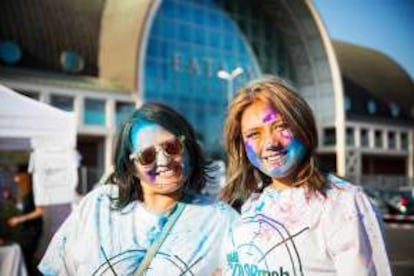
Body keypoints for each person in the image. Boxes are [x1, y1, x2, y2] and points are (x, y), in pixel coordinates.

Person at [38, 102, 239, 275]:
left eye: (172, 147)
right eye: (147, 156)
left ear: (189, 148)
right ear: (131, 167)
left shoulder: (222, 221)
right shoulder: (97, 207)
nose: (164, 161)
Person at [221, 76, 391, 275]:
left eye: (281, 126)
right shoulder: (250, 203)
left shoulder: (343, 203)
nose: (269, 143)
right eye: (254, 134)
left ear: (303, 127)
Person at [7, 166, 44, 275]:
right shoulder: (25, 193)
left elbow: (40, 211)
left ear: (24, 177)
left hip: (32, 230)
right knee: (25, 258)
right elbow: (22, 207)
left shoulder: (34, 192)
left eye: (17, 176)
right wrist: (11, 199)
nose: (15, 179)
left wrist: (19, 219)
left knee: (26, 257)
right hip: (26, 230)